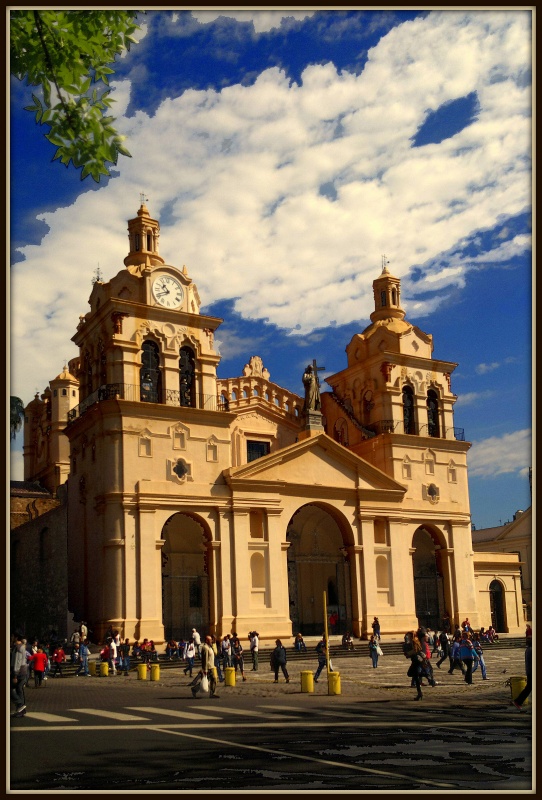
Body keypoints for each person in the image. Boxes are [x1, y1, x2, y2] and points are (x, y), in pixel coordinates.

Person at [11, 635, 28, 716]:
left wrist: (15, 675)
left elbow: (17, 662)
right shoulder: (21, 647)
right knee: (19, 689)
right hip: (22, 671)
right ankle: (21, 709)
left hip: (19, 672)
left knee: (11, 689)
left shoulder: (18, 648)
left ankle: (20, 705)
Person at [404, 632, 424, 700]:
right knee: (416, 677)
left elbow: (415, 651)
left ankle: (419, 693)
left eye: (409, 636)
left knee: (410, 673)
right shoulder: (417, 641)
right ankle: (419, 693)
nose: (408, 637)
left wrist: (408, 654)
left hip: (416, 661)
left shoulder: (413, 642)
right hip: (417, 661)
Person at [513, 640, 532, 711]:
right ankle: (518, 701)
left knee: (529, 687)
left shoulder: (528, 649)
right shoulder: (531, 650)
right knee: (529, 688)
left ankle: (518, 701)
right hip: (532, 671)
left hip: (529, 671)